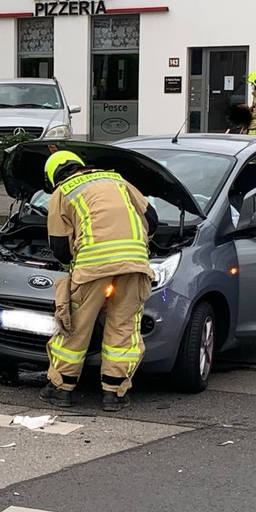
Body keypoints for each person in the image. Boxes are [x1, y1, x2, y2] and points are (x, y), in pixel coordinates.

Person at [40, 151, 156, 413]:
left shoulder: (62, 192)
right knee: (124, 325)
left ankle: (61, 389)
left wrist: (73, 265)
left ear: (54, 176)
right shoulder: (119, 181)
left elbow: (59, 247)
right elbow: (153, 221)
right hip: (134, 264)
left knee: (75, 325)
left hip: (92, 265)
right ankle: (113, 393)